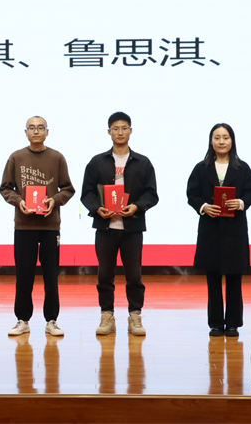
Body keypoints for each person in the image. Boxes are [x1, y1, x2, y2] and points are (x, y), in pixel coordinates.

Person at [81, 112, 159, 336]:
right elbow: (87, 193)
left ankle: (135, 316)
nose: (120, 132)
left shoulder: (143, 162)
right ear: (109, 132)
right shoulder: (97, 162)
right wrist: (97, 208)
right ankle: (107, 315)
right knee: (105, 274)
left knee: (134, 275)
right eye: (115, 128)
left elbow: (151, 194)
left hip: (132, 229)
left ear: (131, 131)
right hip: (105, 228)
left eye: (124, 128)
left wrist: (137, 206)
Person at [0, 116, 75, 337]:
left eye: (40, 128)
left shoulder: (57, 157)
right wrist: (19, 201)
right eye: (31, 128)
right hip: (24, 227)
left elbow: (68, 189)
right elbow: (5, 188)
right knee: (24, 275)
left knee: (51, 276)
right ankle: (22, 320)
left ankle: (52, 320)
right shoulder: (16, 157)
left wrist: (55, 200)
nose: (36, 131)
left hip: (50, 226)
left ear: (47, 132)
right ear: (25, 132)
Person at [186, 123, 251, 338]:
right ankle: (216, 323)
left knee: (235, 280)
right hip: (210, 230)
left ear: (232, 141)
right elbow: (192, 194)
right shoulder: (201, 168)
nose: (221, 142)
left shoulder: (242, 168)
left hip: (234, 231)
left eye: (225, 137)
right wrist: (203, 206)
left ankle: (233, 323)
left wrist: (241, 202)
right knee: (213, 279)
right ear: (211, 141)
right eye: (217, 137)